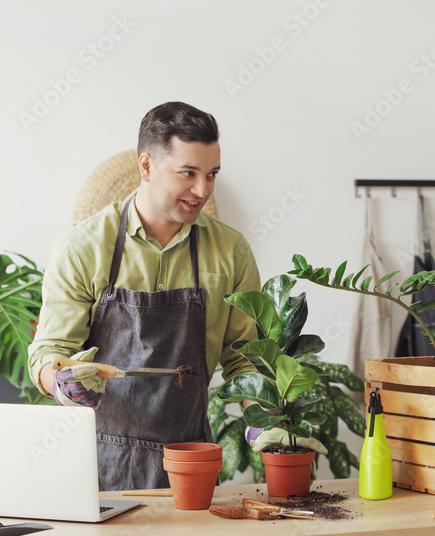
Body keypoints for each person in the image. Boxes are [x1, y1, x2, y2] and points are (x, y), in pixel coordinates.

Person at [27, 101, 260, 492]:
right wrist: (61, 380)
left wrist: (265, 423)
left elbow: (246, 359)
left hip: (190, 461)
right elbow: (49, 351)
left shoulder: (231, 252)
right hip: (97, 466)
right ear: (147, 166)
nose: (202, 190)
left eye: (212, 174)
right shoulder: (82, 249)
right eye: (188, 173)